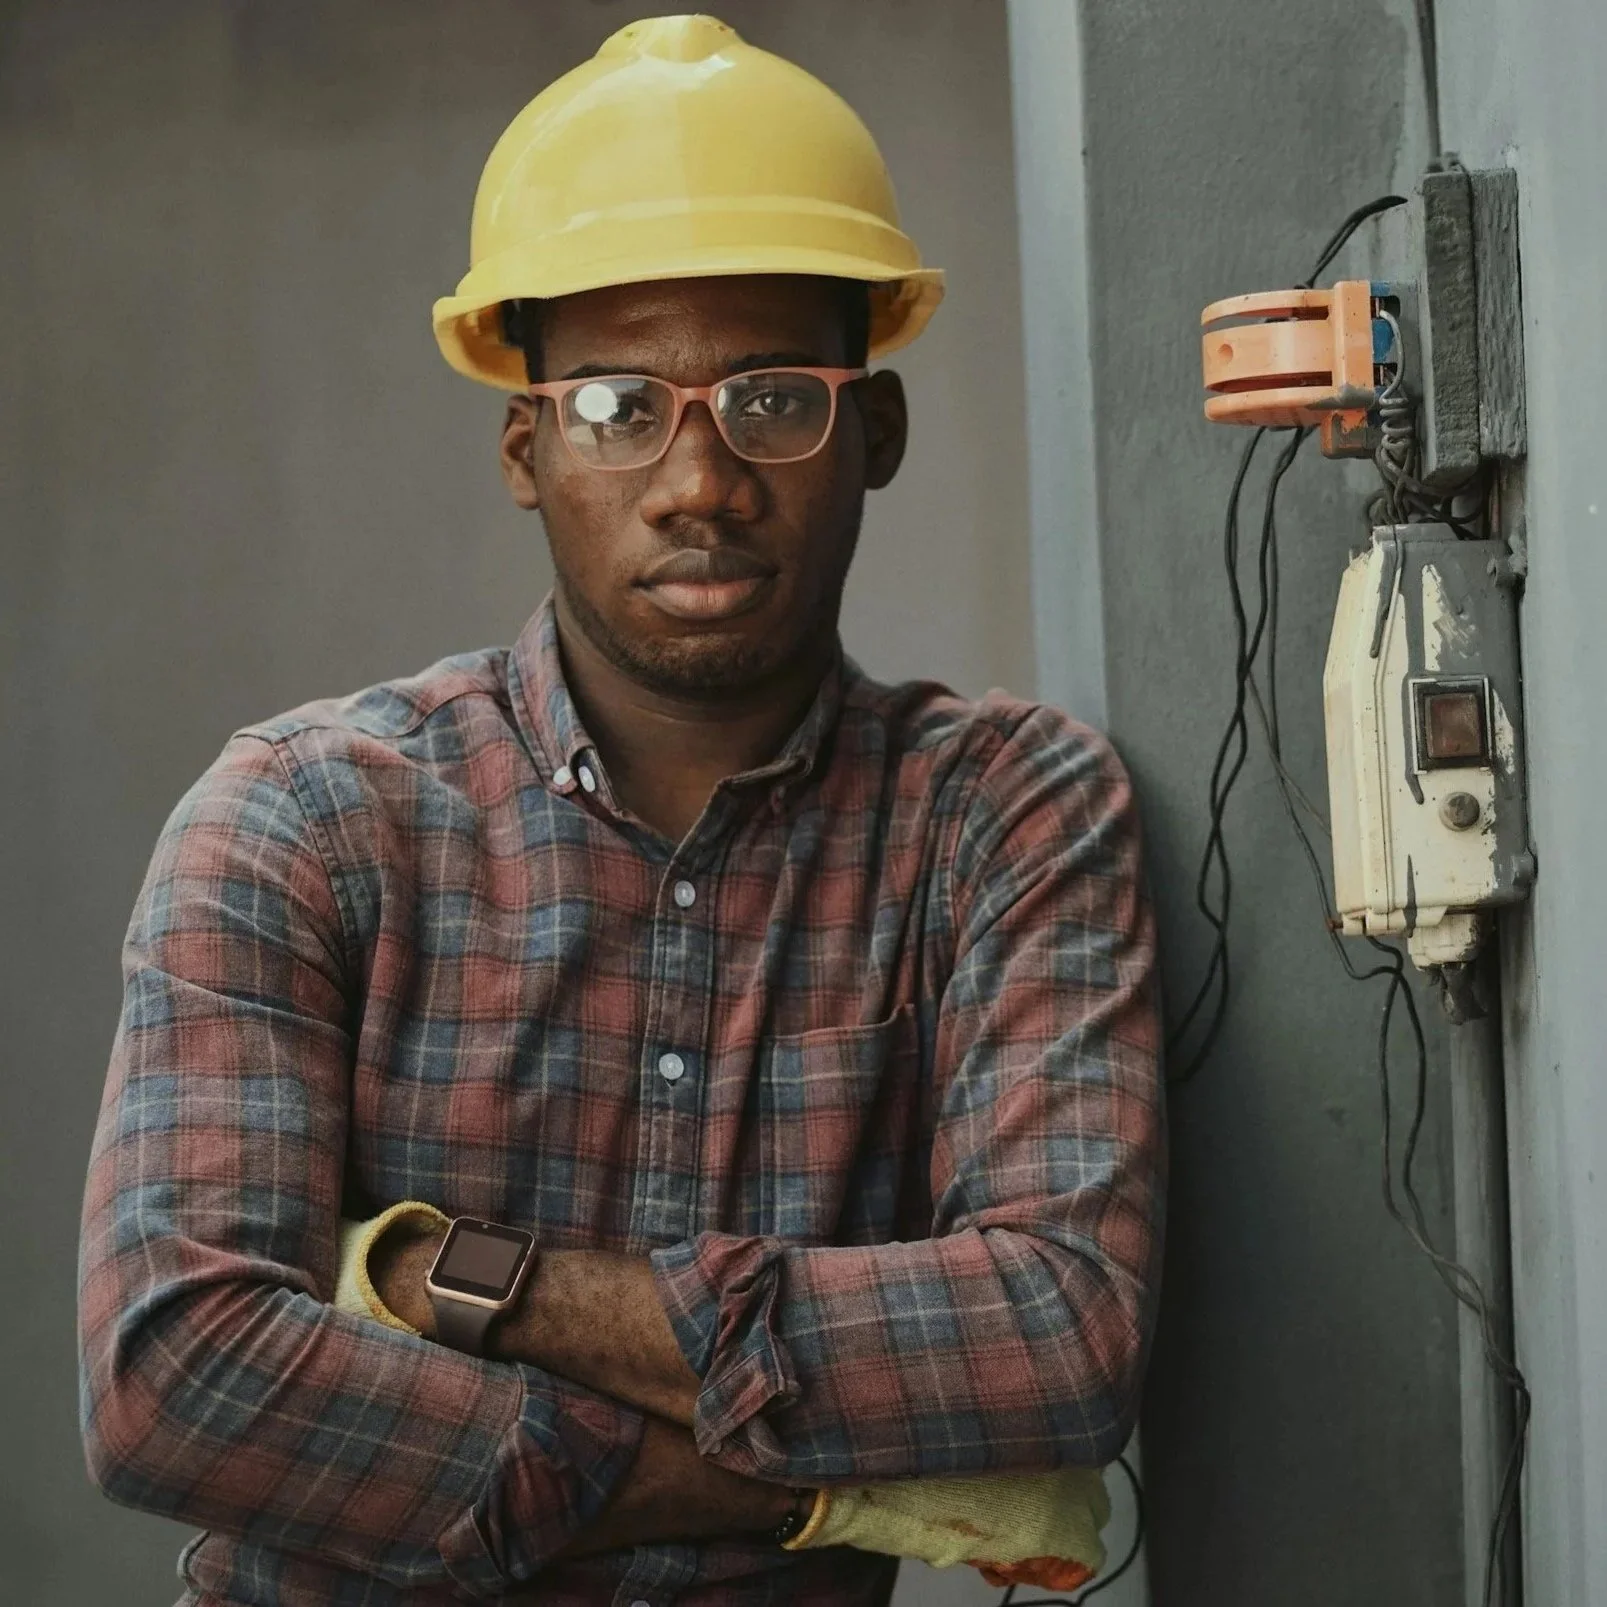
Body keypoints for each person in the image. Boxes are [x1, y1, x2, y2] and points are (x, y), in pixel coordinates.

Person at [78, 16, 1164, 1606]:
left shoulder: (1003, 817)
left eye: (774, 400)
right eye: (615, 408)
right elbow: (172, 1376)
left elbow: (1062, 1333)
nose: (700, 479)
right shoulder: (303, 819)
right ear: (527, 448)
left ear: (877, 431)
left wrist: (476, 1287)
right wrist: (809, 1486)